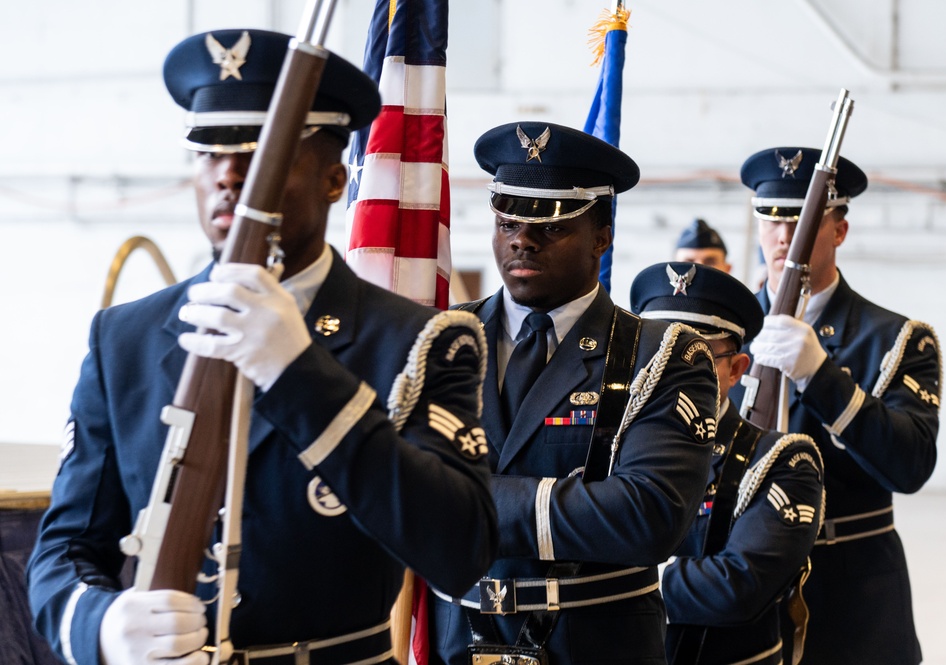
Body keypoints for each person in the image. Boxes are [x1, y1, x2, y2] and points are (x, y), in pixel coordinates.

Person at [27, 28, 497, 665]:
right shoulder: (125, 339)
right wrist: (102, 628)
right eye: (210, 150)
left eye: (261, 152)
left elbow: (459, 548)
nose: (228, 174)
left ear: (336, 178)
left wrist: (299, 374)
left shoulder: (414, 343)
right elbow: (64, 551)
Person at [429, 121, 719, 665]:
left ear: (602, 237)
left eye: (552, 224)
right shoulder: (443, 341)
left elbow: (648, 516)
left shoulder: (660, 355)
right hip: (458, 643)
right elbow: (393, 495)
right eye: (508, 219)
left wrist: (460, 500)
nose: (522, 238)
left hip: (596, 647)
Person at [730, 147, 942, 665]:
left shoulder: (894, 339)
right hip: (739, 580)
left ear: (838, 231)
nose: (784, 235)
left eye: (800, 220)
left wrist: (820, 377)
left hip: (852, 592)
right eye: (771, 218)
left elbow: (909, 465)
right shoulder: (723, 335)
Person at [631, 262, 824, 665]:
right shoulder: (605, 445)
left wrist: (614, 579)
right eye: (654, 350)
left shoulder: (781, 461)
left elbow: (739, 586)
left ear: (735, 369)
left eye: (694, 355)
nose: (666, 369)